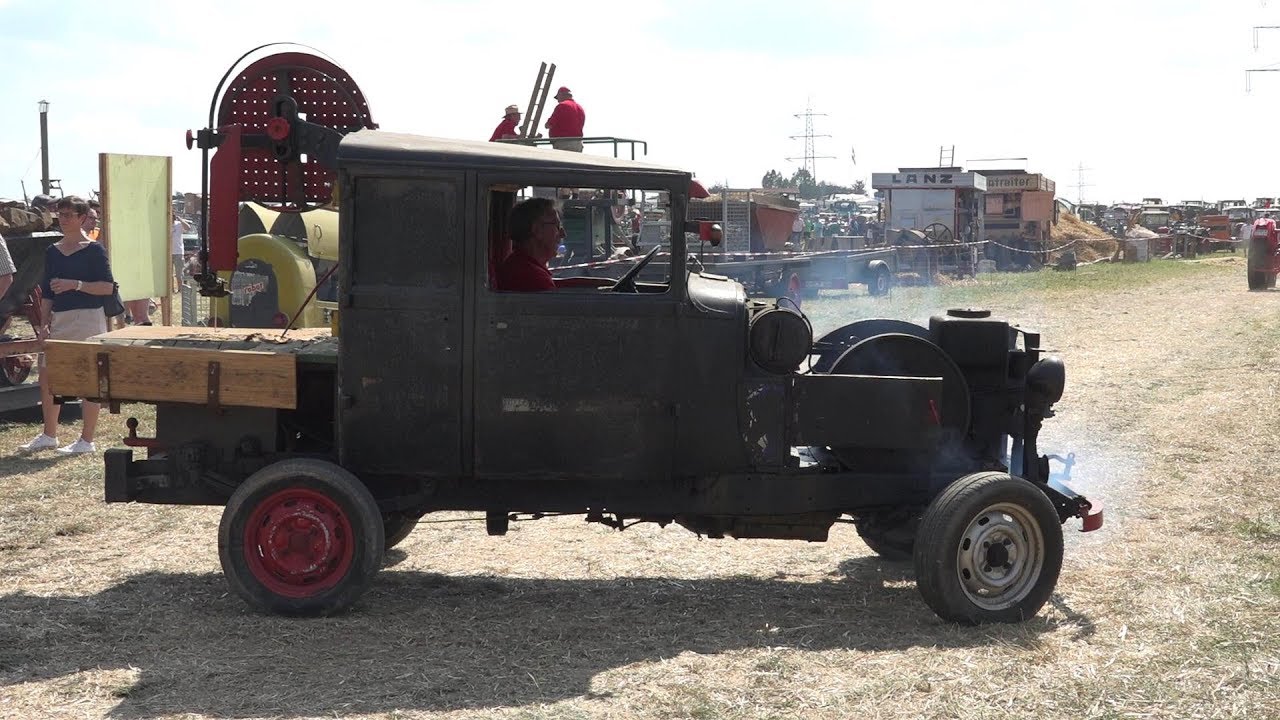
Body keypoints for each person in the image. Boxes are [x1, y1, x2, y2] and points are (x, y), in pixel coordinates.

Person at [19, 196, 116, 454]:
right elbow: (48, 293)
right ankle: (49, 435)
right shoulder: (53, 251)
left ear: (82, 218)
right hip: (59, 319)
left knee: (87, 378)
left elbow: (107, 287)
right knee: (47, 376)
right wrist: (43, 323)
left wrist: (76, 284)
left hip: (88, 319)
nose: (62, 220)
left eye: (68, 215)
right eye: (59, 214)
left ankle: (86, 440)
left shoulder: (94, 250)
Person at [493, 197, 563, 291]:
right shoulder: (533, 278)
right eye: (557, 226)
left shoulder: (519, 265)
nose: (563, 234)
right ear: (537, 230)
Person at [545, 86, 585, 152]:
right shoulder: (580, 108)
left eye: (558, 97)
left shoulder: (562, 106)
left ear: (561, 95)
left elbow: (549, 124)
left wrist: (547, 124)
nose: (558, 100)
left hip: (564, 143)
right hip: (578, 143)